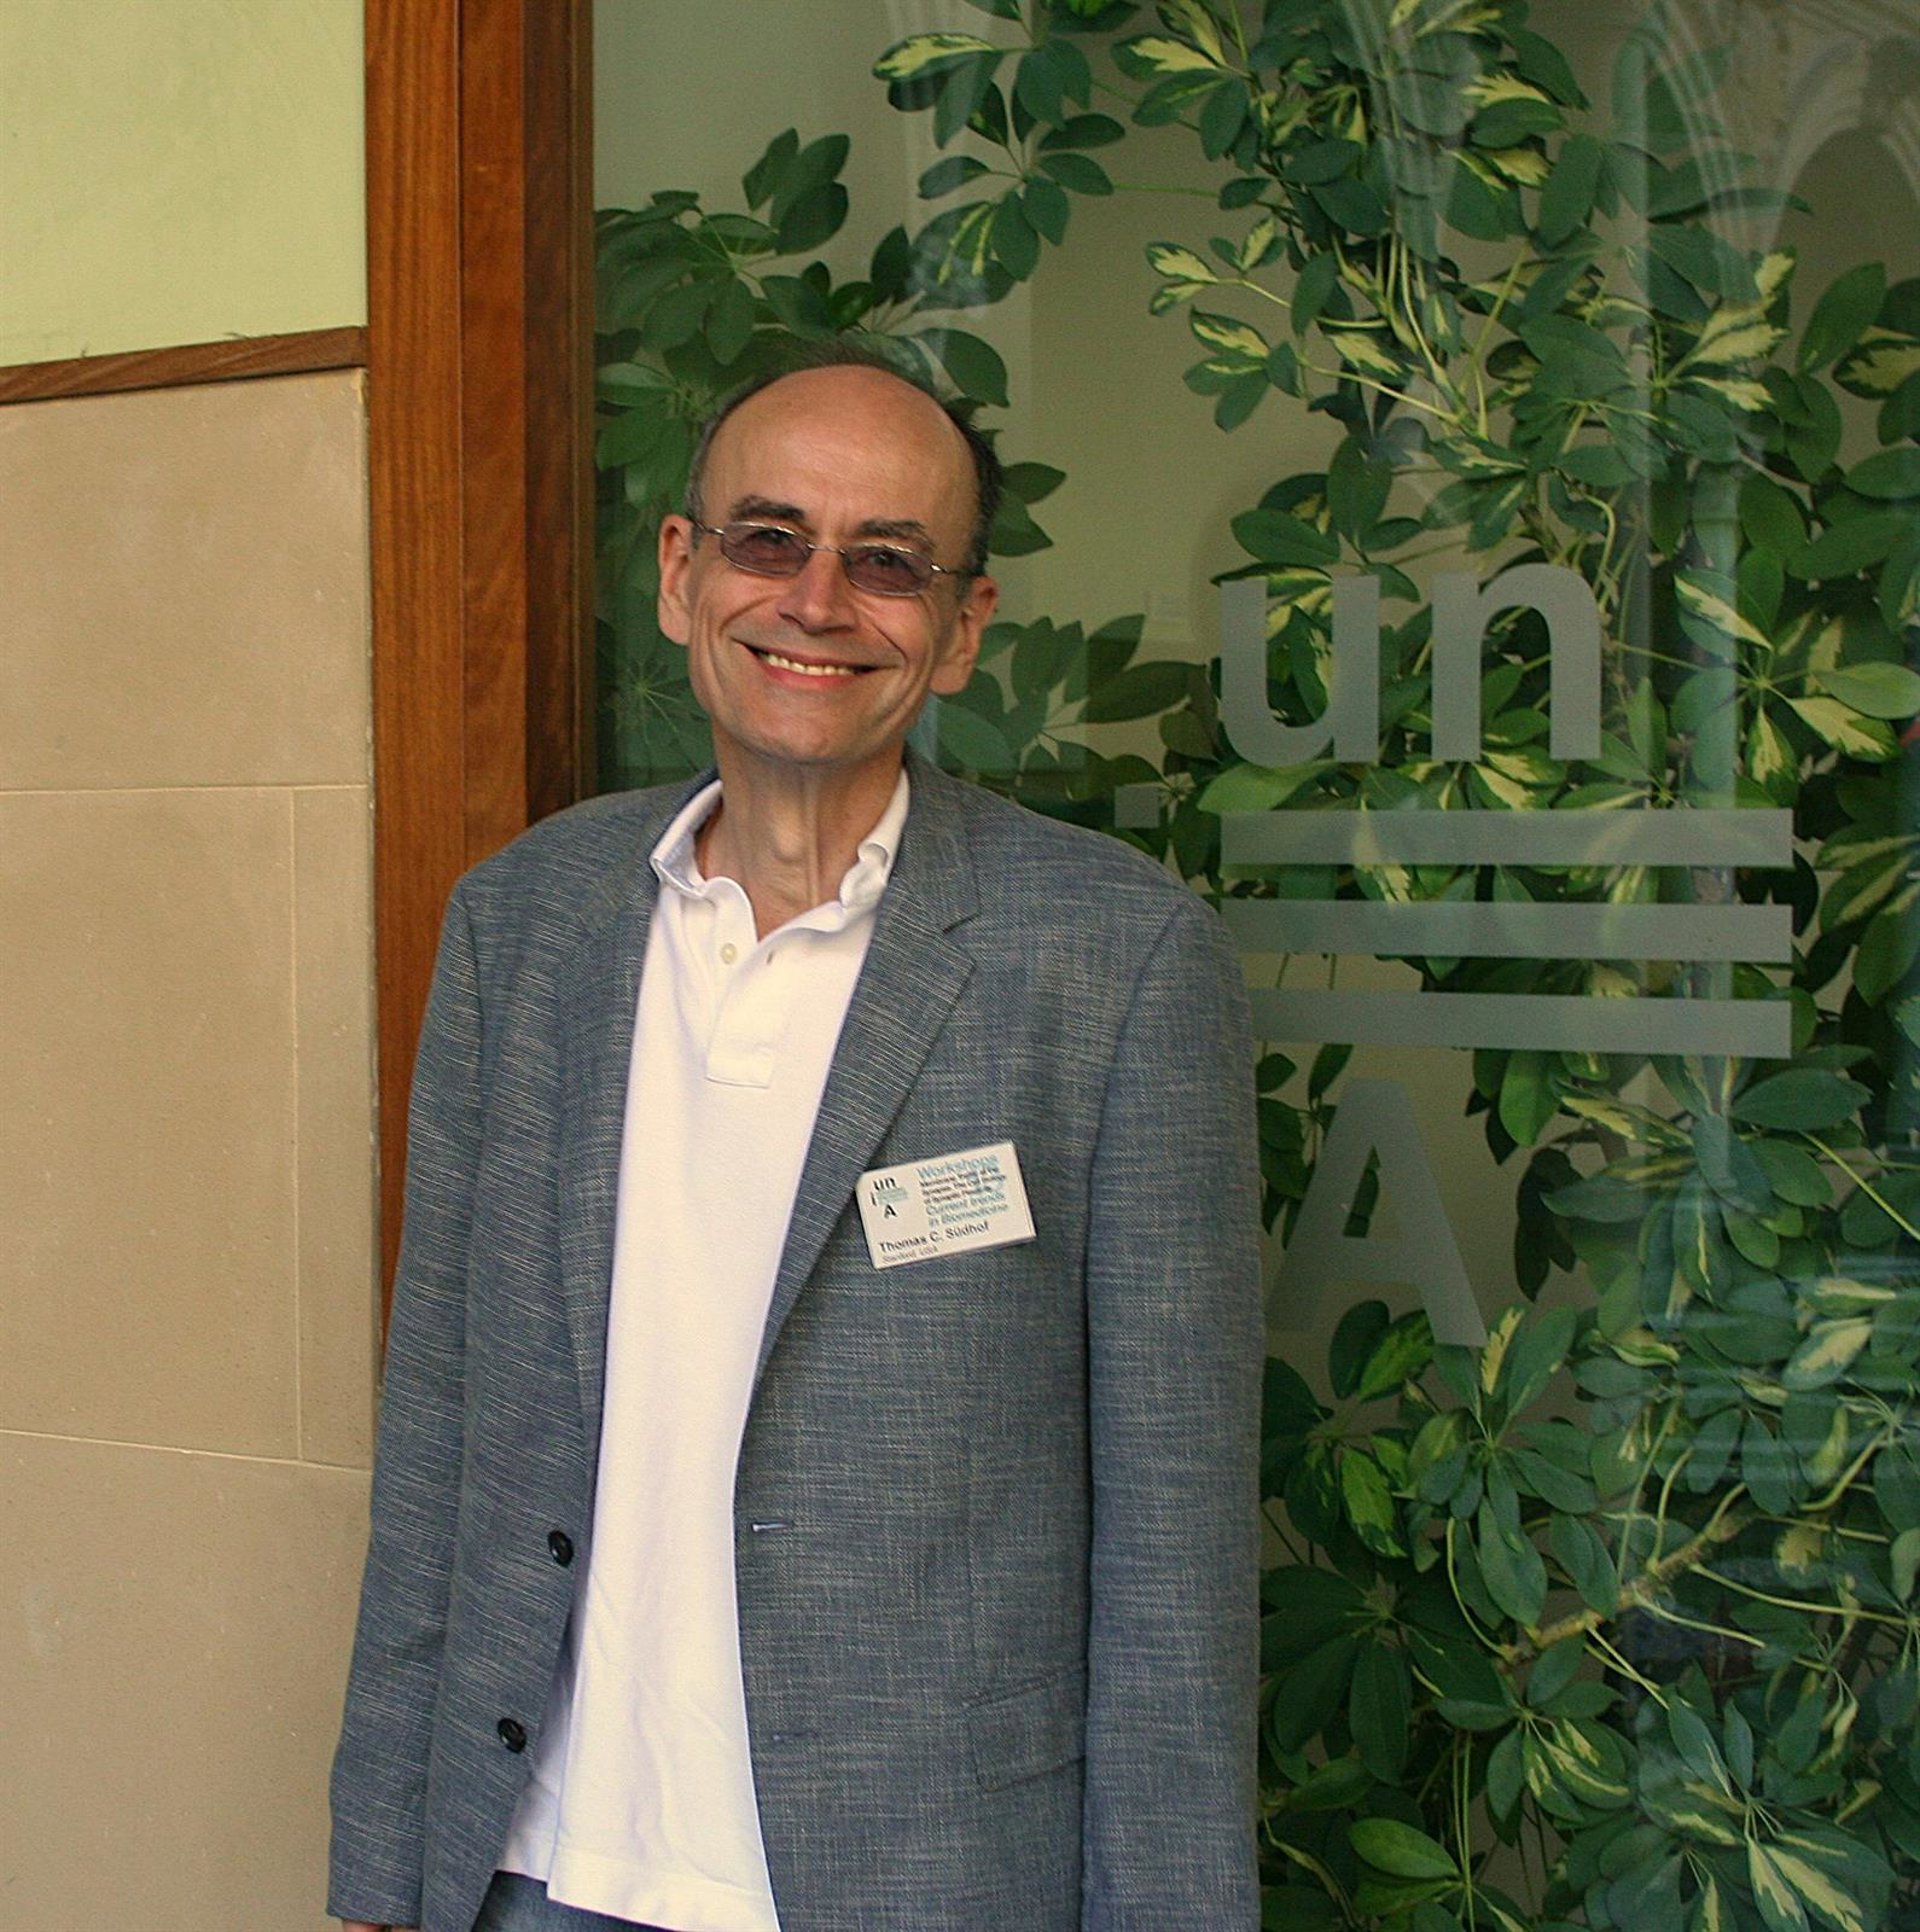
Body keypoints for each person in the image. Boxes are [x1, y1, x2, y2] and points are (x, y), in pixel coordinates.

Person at [328, 355, 1263, 1932]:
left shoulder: (1115, 964)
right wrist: (380, 1868)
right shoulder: (522, 925)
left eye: (887, 561)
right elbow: (439, 1431)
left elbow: (1176, 1550)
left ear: (961, 627)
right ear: (682, 574)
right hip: (533, 1870)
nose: (817, 602)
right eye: (769, 539)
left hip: (919, 1886)